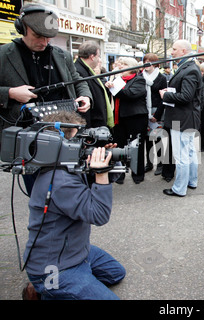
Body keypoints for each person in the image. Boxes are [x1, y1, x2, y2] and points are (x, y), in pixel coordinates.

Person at [22, 111, 126, 300]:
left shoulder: (65, 164)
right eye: (78, 139)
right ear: (61, 144)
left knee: (116, 273)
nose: (83, 143)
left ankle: (75, 284)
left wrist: (109, 163)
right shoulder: (60, 180)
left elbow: (95, 184)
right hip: (54, 268)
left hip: (76, 251)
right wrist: (100, 173)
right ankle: (43, 289)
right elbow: (99, 215)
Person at [0, 3, 92, 195]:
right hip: (28, 137)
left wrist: (85, 95)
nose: (43, 42)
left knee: (67, 186)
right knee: (38, 191)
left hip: (64, 133)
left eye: (48, 37)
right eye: (38, 36)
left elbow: (78, 80)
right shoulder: (3, 55)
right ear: (22, 28)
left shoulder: (62, 55)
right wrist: (10, 93)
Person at [159, 40, 204, 197]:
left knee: (182, 155)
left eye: (174, 49)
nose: (171, 52)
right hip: (187, 118)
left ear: (183, 51)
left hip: (182, 119)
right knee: (189, 151)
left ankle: (179, 188)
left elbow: (186, 96)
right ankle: (192, 181)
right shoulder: (189, 67)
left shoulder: (190, 69)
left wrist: (166, 95)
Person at [105, 57, 147, 184]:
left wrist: (114, 87)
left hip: (136, 118)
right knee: (119, 146)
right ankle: (120, 173)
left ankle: (137, 174)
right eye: (120, 64)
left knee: (137, 147)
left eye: (124, 64)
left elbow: (129, 94)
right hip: (119, 118)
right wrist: (109, 86)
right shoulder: (118, 80)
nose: (120, 66)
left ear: (131, 67)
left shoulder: (139, 79)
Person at [75, 41, 114, 130]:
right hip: (91, 125)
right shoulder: (79, 71)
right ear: (92, 57)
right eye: (98, 56)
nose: (99, 59)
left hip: (96, 122)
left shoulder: (87, 70)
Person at [142, 53, 168, 176]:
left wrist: (156, 115)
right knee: (147, 139)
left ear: (155, 63)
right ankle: (149, 163)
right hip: (145, 111)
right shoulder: (140, 76)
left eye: (149, 61)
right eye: (145, 61)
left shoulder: (161, 78)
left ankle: (161, 163)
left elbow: (164, 98)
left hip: (157, 110)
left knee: (157, 138)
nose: (147, 64)